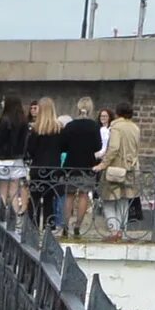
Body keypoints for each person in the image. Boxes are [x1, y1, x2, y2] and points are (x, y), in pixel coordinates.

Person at [58, 96, 105, 238]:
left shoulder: (70, 126)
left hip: (71, 164)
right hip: (87, 165)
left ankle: (65, 225)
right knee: (84, 195)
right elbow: (98, 146)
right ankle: (78, 225)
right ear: (91, 109)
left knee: (69, 195)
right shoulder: (94, 127)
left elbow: (63, 145)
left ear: (78, 108)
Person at [96, 103, 142, 238]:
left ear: (117, 113)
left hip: (115, 168)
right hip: (131, 169)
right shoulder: (135, 128)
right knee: (124, 200)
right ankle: (122, 230)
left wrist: (103, 164)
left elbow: (114, 148)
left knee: (108, 200)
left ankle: (114, 231)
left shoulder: (116, 128)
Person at [23, 98, 68, 235]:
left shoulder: (36, 130)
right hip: (54, 167)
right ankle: (50, 227)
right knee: (50, 199)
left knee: (34, 199)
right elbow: (64, 147)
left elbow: (30, 150)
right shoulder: (59, 129)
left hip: (38, 167)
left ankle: (33, 227)